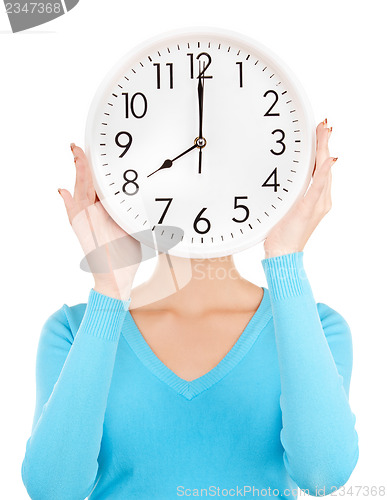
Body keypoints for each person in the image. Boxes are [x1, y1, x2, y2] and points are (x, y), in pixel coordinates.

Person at [21, 119, 359, 499]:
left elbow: (323, 473)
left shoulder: (318, 327)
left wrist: (285, 260)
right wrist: (110, 290)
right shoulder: (72, 331)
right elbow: (53, 489)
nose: (198, 178)